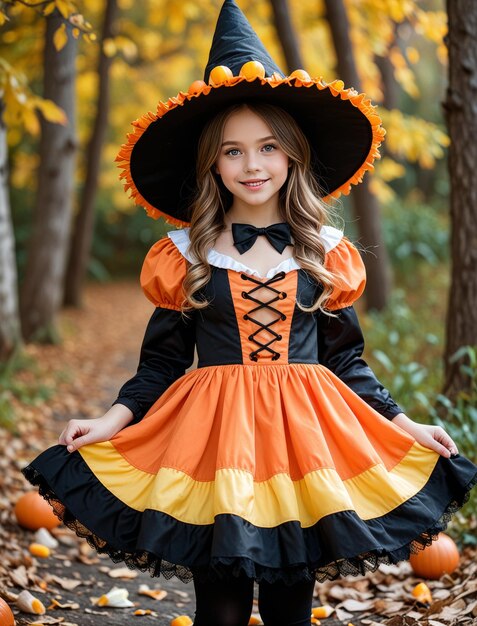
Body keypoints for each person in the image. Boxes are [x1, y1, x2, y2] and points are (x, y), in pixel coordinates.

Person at [22, 2, 477, 626]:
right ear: (213, 162)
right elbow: (160, 364)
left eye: (267, 147)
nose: (253, 165)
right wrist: (108, 420)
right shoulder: (187, 256)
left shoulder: (326, 253)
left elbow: (346, 360)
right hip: (215, 443)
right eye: (233, 152)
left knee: (293, 599)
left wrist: (405, 425)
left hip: (305, 444)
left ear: (292, 155)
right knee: (222, 600)